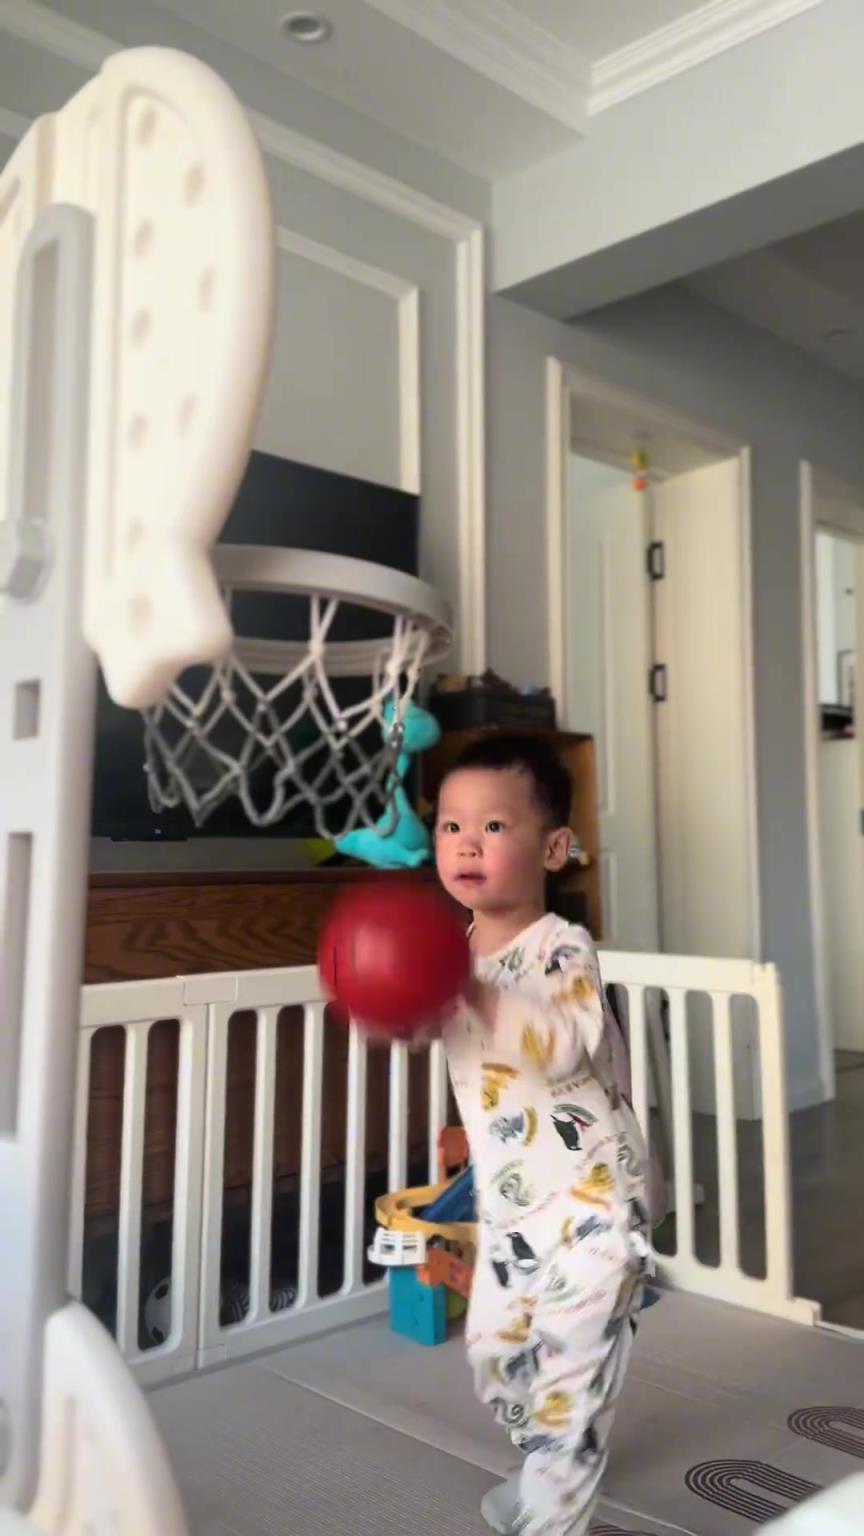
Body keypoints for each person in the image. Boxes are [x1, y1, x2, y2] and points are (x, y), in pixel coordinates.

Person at [434, 733, 651, 1536]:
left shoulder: (562, 948)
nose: (467, 843)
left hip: (594, 1206)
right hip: (511, 1212)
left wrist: (471, 994)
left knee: (567, 1388)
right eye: (451, 826)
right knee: (495, 1359)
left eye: (493, 826)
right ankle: (549, 1458)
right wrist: (390, 997)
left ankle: (558, 1482)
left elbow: (561, 1044)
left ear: (553, 849)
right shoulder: (451, 955)